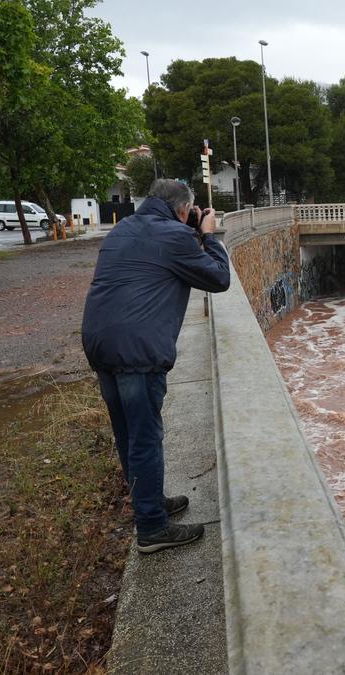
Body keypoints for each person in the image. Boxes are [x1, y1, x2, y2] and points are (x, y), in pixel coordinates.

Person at [81, 179, 231, 554]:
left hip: (100, 344)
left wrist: (187, 230)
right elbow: (219, 278)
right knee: (146, 437)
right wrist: (208, 235)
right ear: (184, 209)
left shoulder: (122, 228)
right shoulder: (174, 237)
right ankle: (152, 528)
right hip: (137, 352)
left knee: (128, 435)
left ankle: (149, 502)